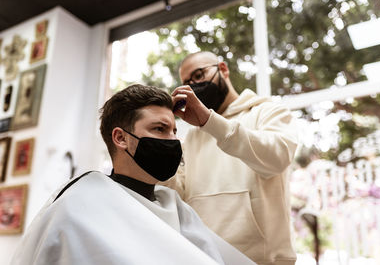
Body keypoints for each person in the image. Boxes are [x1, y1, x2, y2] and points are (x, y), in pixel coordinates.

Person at [10, 84, 256, 265]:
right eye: (159, 129)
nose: (172, 140)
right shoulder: (78, 206)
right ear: (120, 138)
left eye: (173, 130)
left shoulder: (178, 209)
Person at [165, 51, 299, 265]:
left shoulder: (267, 111)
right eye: (187, 82)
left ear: (223, 69)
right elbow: (178, 195)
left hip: (264, 261)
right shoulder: (192, 136)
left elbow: (277, 158)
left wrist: (209, 121)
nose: (194, 86)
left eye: (199, 75)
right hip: (205, 258)